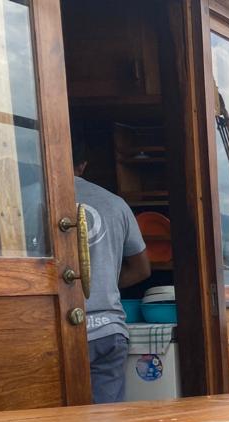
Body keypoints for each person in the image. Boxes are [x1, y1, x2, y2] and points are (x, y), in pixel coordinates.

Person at [73, 127, 151, 404]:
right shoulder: (116, 204)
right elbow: (142, 269)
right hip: (109, 330)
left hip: (61, 333)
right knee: (106, 420)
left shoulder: (31, 199)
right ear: (83, 164)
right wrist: (103, 281)